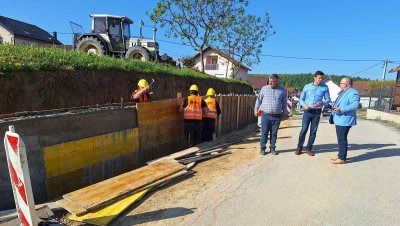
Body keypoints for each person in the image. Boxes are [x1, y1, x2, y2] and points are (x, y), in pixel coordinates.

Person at [295, 71, 331, 156]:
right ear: (314, 78)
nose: (321, 79)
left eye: (322, 78)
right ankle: (299, 147)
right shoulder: (307, 86)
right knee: (303, 130)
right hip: (307, 111)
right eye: (319, 78)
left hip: (317, 112)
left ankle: (309, 149)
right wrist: (304, 106)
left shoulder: (325, 87)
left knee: (313, 131)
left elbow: (328, 99)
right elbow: (301, 99)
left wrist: (322, 103)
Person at [254, 74, 290, 156]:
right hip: (266, 115)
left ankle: (272, 148)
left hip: (277, 116)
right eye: (270, 81)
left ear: (277, 81)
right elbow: (258, 100)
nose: (271, 83)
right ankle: (263, 148)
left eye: (272, 82)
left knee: (274, 133)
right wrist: (256, 110)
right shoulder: (264, 89)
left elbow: (284, 103)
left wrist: (284, 113)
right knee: (264, 132)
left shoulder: (281, 90)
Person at [331, 77, 360, 164]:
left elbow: (355, 105)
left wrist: (341, 109)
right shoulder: (344, 92)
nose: (340, 85)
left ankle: (342, 158)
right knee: (340, 138)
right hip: (340, 119)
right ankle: (340, 154)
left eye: (341, 83)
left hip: (345, 120)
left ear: (346, 84)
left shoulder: (353, 93)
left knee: (342, 138)